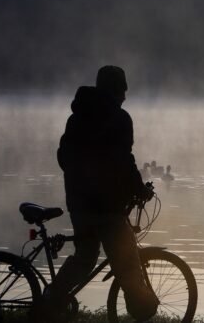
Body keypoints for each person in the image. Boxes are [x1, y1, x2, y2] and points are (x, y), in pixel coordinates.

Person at [43, 65, 158, 321]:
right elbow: (124, 161)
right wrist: (138, 189)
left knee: (85, 258)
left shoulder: (77, 117)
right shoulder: (119, 119)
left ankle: (50, 301)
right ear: (117, 89)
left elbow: (63, 156)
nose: (126, 96)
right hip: (107, 205)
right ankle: (142, 308)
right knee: (126, 259)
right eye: (123, 90)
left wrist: (78, 178)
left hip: (79, 202)